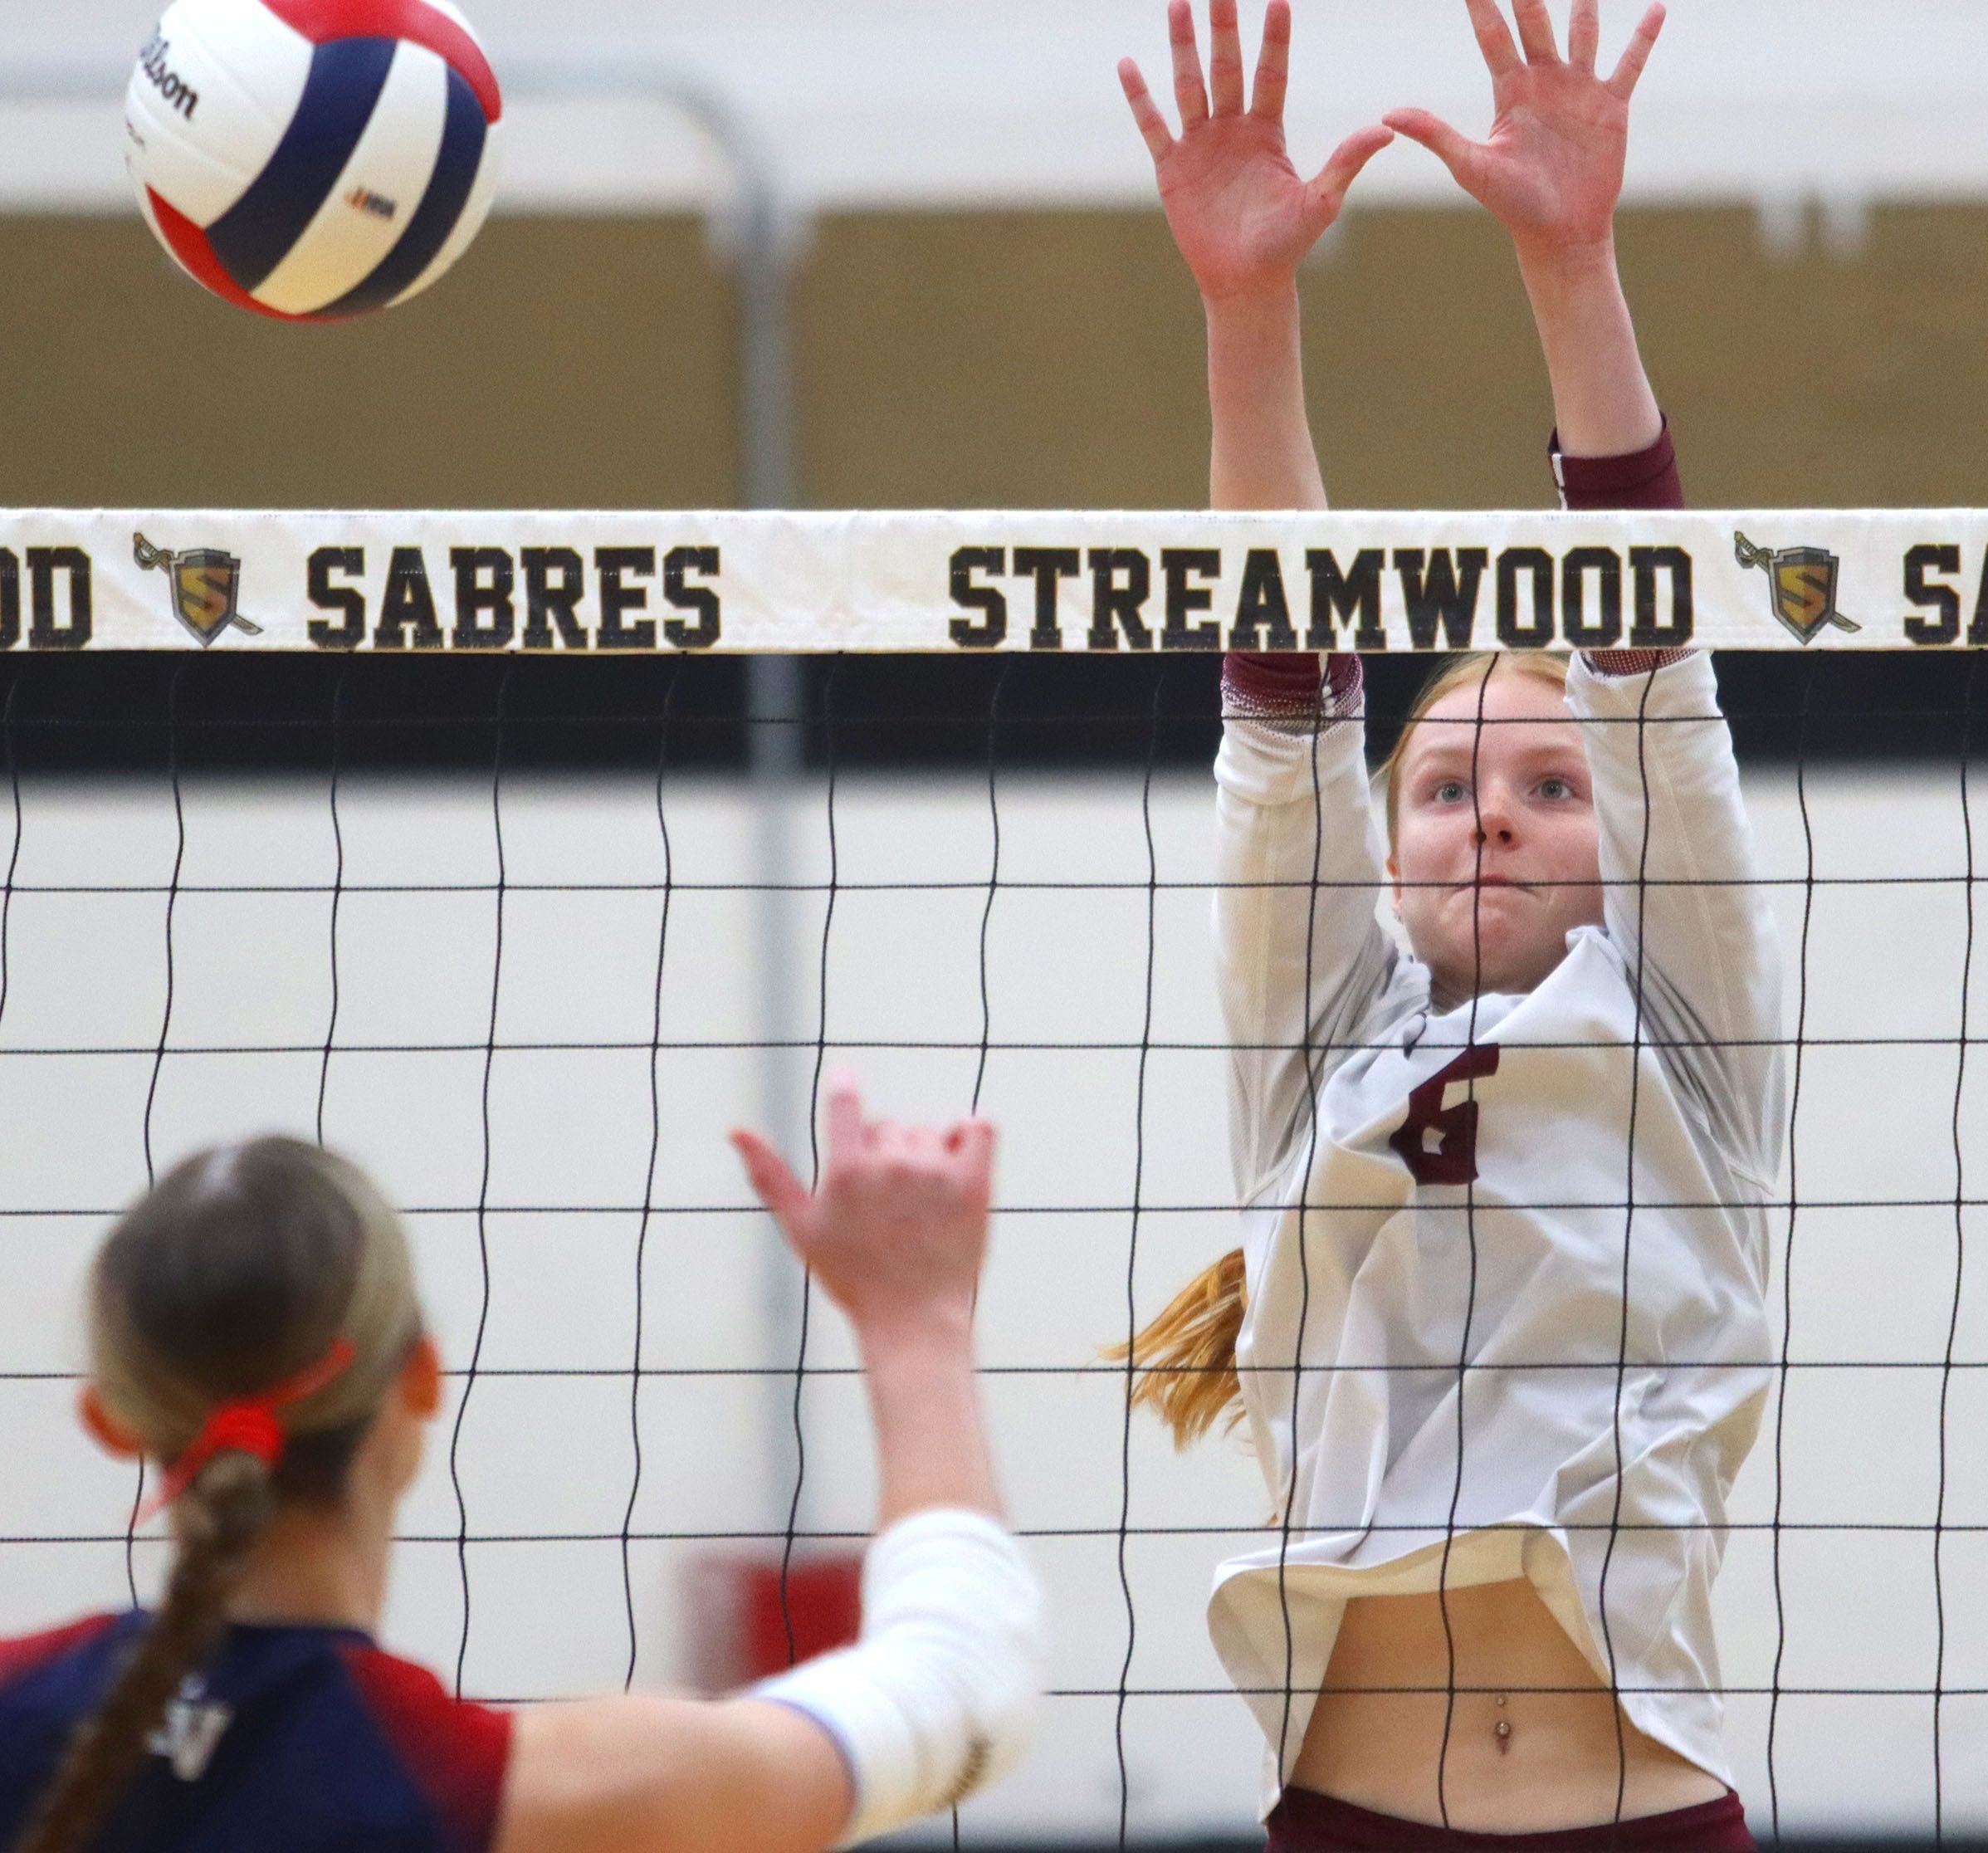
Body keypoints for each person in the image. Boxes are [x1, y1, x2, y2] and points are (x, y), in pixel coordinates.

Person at [1116, 1, 1781, 1846]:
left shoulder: (1686, 1040)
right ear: (1388, 852)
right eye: (1446, 786)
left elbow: (1651, 663)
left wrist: (1570, 261)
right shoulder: (1323, 1044)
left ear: (1622, 844)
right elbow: (1284, 713)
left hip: (1644, 1816)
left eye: (1554, 785)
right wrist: (1247, 304)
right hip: (1355, 1816)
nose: (1492, 809)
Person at [0, 1077, 1040, 1853]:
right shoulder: (523, 1794)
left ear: (113, 1420)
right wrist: (914, 1320)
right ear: (421, 1377)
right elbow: (960, 1684)